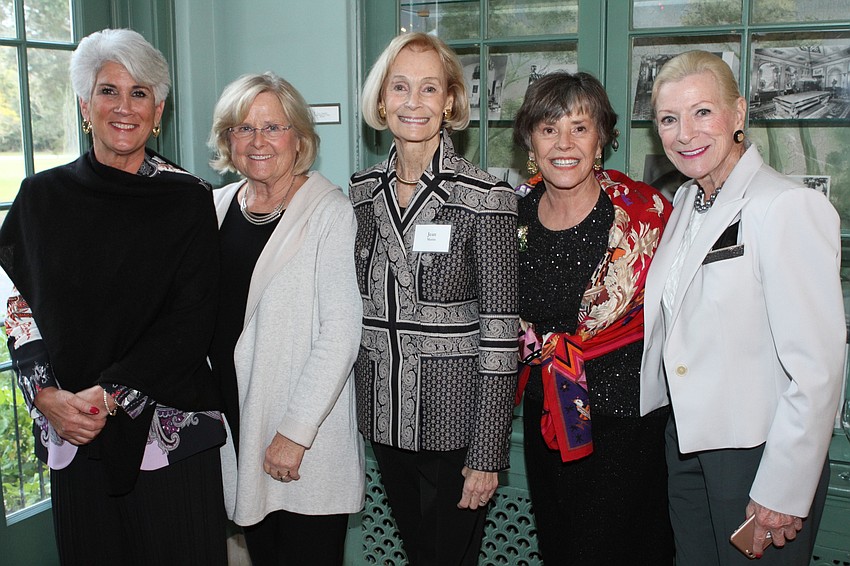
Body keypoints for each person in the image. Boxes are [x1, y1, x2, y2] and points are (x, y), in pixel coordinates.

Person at [0, 28, 226, 564]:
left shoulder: (187, 200)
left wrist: (109, 394)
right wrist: (46, 396)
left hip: (168, 438)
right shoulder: (41, 197)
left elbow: (192, 323)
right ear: (84, 104)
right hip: (71, 431)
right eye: (108, 91)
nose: (124, 107)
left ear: (159, 108)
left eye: (139, 92)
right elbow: (14, 304)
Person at [641, 50, 844, 564]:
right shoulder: (688, 200)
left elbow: (816, 370)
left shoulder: (785, 206)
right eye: (669, 119)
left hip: (758, 456)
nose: (685, 133)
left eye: (702, 112)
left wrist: (783, 487)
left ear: (739, 114)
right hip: (687, 446)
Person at [350, 32, 518, 566]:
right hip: (385, 415)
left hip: (456, 425)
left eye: (429, 88)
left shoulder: (485, 197)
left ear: (450, 101)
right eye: (400, 87)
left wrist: (488, 452)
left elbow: (499, 334)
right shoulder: (358, 194)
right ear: (381, 101)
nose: (413, 102)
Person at [512, 71, 673, 564]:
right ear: (529, 142)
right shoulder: (511, 215)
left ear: (601, 138)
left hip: (625, 432)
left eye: (580, 128)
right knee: (559, 549)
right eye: (548, 128)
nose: (564, 144)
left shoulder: (646, 216)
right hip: (546, 425)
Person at [208, 72, 363, 566]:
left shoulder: (329, 213)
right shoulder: (215, 207)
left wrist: (294, 433)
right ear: (226, 139)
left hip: (302, 438)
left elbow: (341, 330)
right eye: (243, 128)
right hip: (238, 422)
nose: (257, 142)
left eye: (273, 127)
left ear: (298, 138)